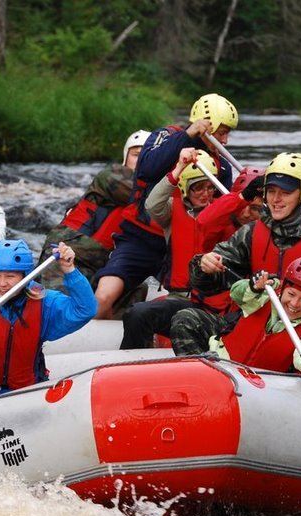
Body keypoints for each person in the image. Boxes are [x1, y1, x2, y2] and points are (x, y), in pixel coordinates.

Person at [172, 152, 301, 356]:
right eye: (271, 191)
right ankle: (210, 381)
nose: (276, 199)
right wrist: (204, 265)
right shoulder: (252, 232)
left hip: (297, 338)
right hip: (251, 325)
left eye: (285, 192)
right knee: (185, 320)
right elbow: (207, 285)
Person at [94, 93, 238, 319]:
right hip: (140, 239)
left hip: (181, 246)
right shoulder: (165, 136)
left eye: (228, 134)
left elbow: (223, 213)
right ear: (205, 125)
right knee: (103, 298)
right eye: (222, 132)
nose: (226, 140)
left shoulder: (221, 166)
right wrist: (188, 136)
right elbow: (147, 169)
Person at [0, 239, 97, 393]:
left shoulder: (44, 303)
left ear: (25, 277)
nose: (2, 283)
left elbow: (85, 310)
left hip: (25, 392)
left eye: (10, 276)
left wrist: (69, 270)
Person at [118, 148, 220, 349]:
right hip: (178, 296)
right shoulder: (172, 211)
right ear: (185, 188)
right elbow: (152, 204)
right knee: (136, 314)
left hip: (212, 302)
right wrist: (179, 168)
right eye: (198, 188)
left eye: (210, 187)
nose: (205, 194)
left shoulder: (224, 211)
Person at [173, 256, 301, 381]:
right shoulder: (269, 288)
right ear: (284, 289)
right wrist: (253, 287)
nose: (294, 304)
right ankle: (197, 375)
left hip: (258, 385)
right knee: (186, 319)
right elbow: (237, 293)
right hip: (221, 361)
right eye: (291, 294)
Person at [39, 129, 150, 292]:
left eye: (147, 156)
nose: (141, 160)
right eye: (136, 155)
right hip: (64, 258)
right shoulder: (110, 176)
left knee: (139, 290)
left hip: (100, 267)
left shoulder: (161, 189)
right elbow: (148, 199)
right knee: (60, 305)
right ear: (125, 157)